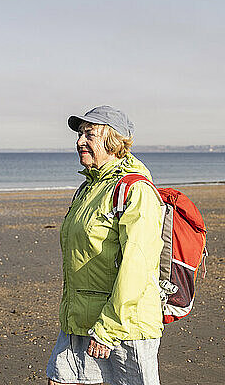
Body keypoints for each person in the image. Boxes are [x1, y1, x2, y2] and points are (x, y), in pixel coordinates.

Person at [46, 105, 165, 385]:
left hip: (125, 326)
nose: (79, 141)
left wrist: (109, 329)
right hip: (80, 320)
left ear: (113, 141)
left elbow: (138, 265)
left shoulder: (136, 190)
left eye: (89, 134)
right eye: (79, 134)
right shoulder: (88, 188)